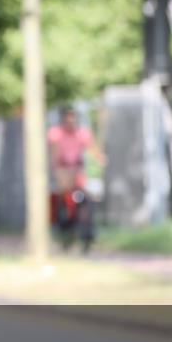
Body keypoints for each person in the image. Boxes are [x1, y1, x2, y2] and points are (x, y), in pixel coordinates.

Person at [47, 106, 104, 252]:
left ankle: (87, 238)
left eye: (74, 118)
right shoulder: (56, 134)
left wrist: (100, 162)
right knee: (62, 206)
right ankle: (64, 236)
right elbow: (55, 157)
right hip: (62, 176)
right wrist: (61, 175)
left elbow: (95, 153)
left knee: (86, 205)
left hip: (78, 176)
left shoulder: (83, 134)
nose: (71, 121)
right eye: (68, 118)